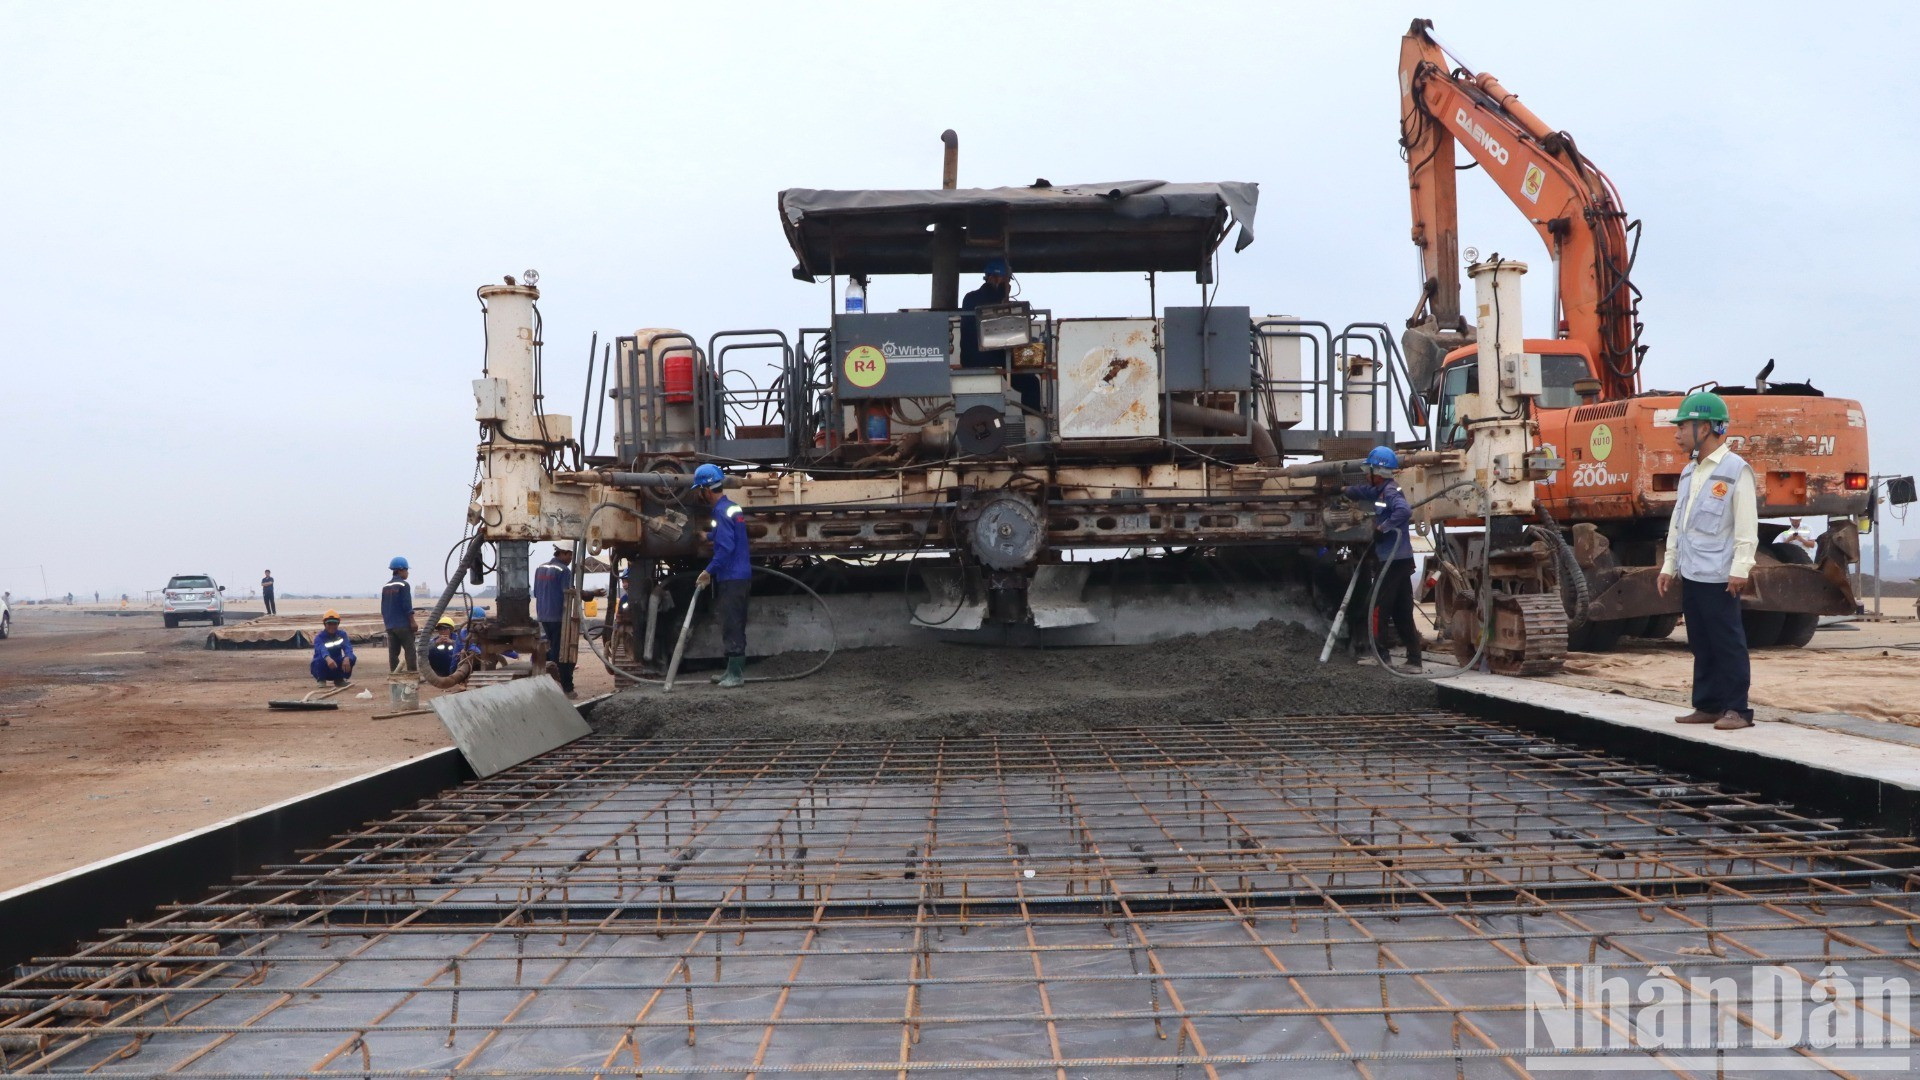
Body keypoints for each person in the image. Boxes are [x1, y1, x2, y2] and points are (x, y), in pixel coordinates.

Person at [1658, 391, 1759, 732]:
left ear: (1704, 428)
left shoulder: (1736, 470)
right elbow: (1679, 522)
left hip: (1720, 575)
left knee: (1727, 642)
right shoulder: (1690, 472)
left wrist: (1740, 568)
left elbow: (1746, 525)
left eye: (1682, 426)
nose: (1677, 434)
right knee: (1701, 641)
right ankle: (1708, 705)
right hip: (1692, 571)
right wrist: (1669, 564)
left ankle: (1737, 710)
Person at [1343, 446, 1421, 672]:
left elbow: (1404, 511)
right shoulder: (1381, 490)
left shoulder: (1390, 492)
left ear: (1377, 471)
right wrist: (1345, 490)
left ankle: (1381, 656)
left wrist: (1382, 528)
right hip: (1401, 560)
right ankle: (1414, 660)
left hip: (1392, 561)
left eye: (1368, 470)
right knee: (1402, 610)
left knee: (1376, 607)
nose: (1366, 474)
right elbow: (1365, 492)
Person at [694, 463, 751, 688]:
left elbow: (726, 548)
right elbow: (728, 534)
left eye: (700, 490)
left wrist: (708, 571)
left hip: (731, 576)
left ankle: (736, 674)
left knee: (732, 624)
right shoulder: (731, 507)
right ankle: (731, 670)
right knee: (733, 621)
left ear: (706, 490)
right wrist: (707, 536)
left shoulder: (719, 511)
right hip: (740, 575)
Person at [534, 546, 577, 696]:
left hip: (542, 615)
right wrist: (588, 594)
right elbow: (568, 593)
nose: (570, 559)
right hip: (559, 617)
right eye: (570, 555)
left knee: (550, 648)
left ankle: (546, 681)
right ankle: (565, 686)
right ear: (562, 553)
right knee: (562, 652)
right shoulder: (564, 571)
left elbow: (536, 592)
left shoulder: (540, 568)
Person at [381, 557, 417, 673]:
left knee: (393, 653)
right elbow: (407, 605)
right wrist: (412, 622)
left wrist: (387, 623)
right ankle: (412, 674)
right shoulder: (404, 585)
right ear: (400, 570)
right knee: (410, 650)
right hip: (403, 625)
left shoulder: (386, 586)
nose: (407, 572)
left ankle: (395, 674)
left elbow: (383, 607)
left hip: (390, 625)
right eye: (406, 570)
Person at [310, 610, 356, 685]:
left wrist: (347, 657)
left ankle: (339, 679)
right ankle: (321, 679)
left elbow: (348, 647)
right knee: (318, 660)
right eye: (329, 624)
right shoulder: (319, 637)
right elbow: (322, 650)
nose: (332, 626)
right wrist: (328, 658)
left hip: (336, 664)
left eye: (334, 624)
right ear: (325, 624)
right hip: (323, 664)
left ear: (338, 624)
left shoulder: (342, 635)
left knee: (352, 657)